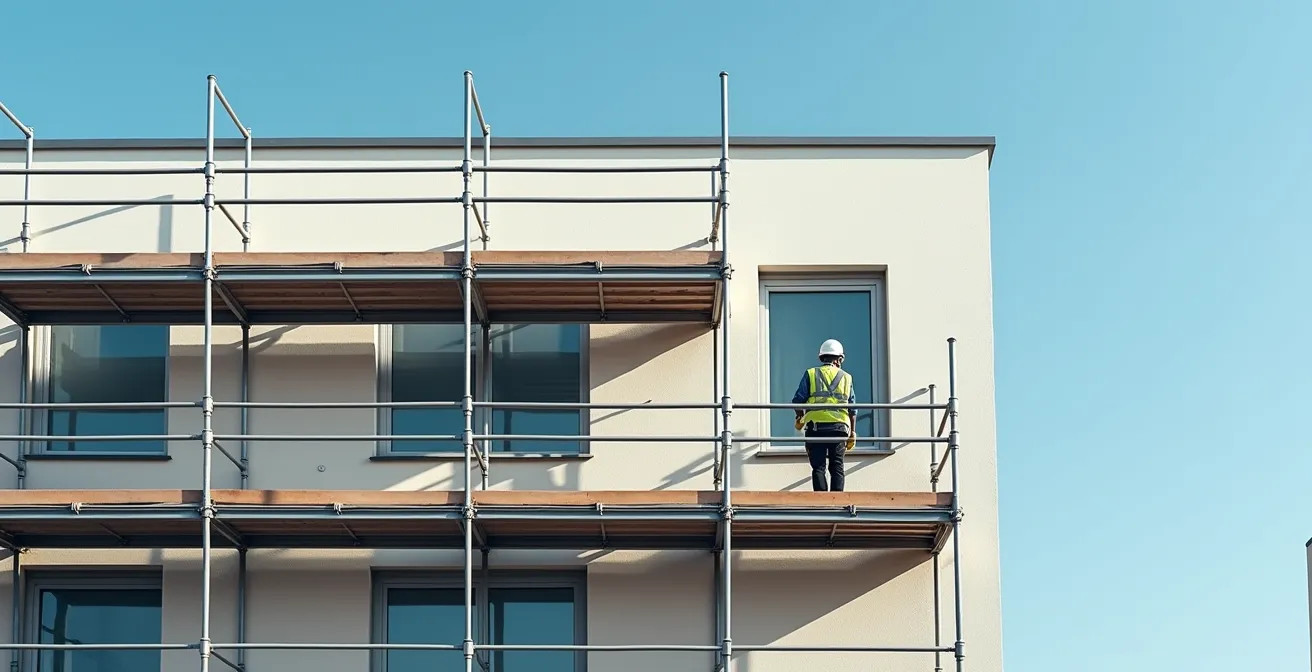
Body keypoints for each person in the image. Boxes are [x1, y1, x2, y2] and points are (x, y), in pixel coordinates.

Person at [791, 339, 857, 491]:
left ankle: (821, 499)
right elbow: (852, 408)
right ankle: (837, 499)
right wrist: (852, 432)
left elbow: (797, 401)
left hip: (816, 428)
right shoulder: (846, 377)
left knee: (818, 466)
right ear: (838, 359)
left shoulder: (811, 374)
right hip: (839, 428)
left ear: (822, 357)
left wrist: (800, 418)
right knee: (837, 465)